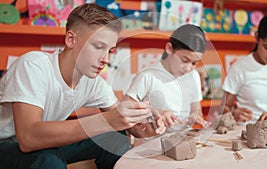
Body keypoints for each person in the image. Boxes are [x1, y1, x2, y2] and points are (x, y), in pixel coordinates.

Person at [0, 4, 166, 169]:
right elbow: (28, 138)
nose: (106, 59)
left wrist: (146, 124)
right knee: (48, 160)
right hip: (7, 145)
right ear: (71, 39)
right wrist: (107, 120)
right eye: (99, 47)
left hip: (42, 145)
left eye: (110, 51)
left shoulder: (94, 83)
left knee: (116, 136)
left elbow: (123, 124)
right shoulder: (33, 65)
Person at [123, 24, 210, 134]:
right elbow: (125, 111)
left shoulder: (194, 76)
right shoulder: (148, 76)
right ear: (169, 48)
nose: (188, 68)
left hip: (184, 140)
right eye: (184, 60)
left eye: (194, 63)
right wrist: (155, 113)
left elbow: (196, 110)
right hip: (151, 144)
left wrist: (195, 116)